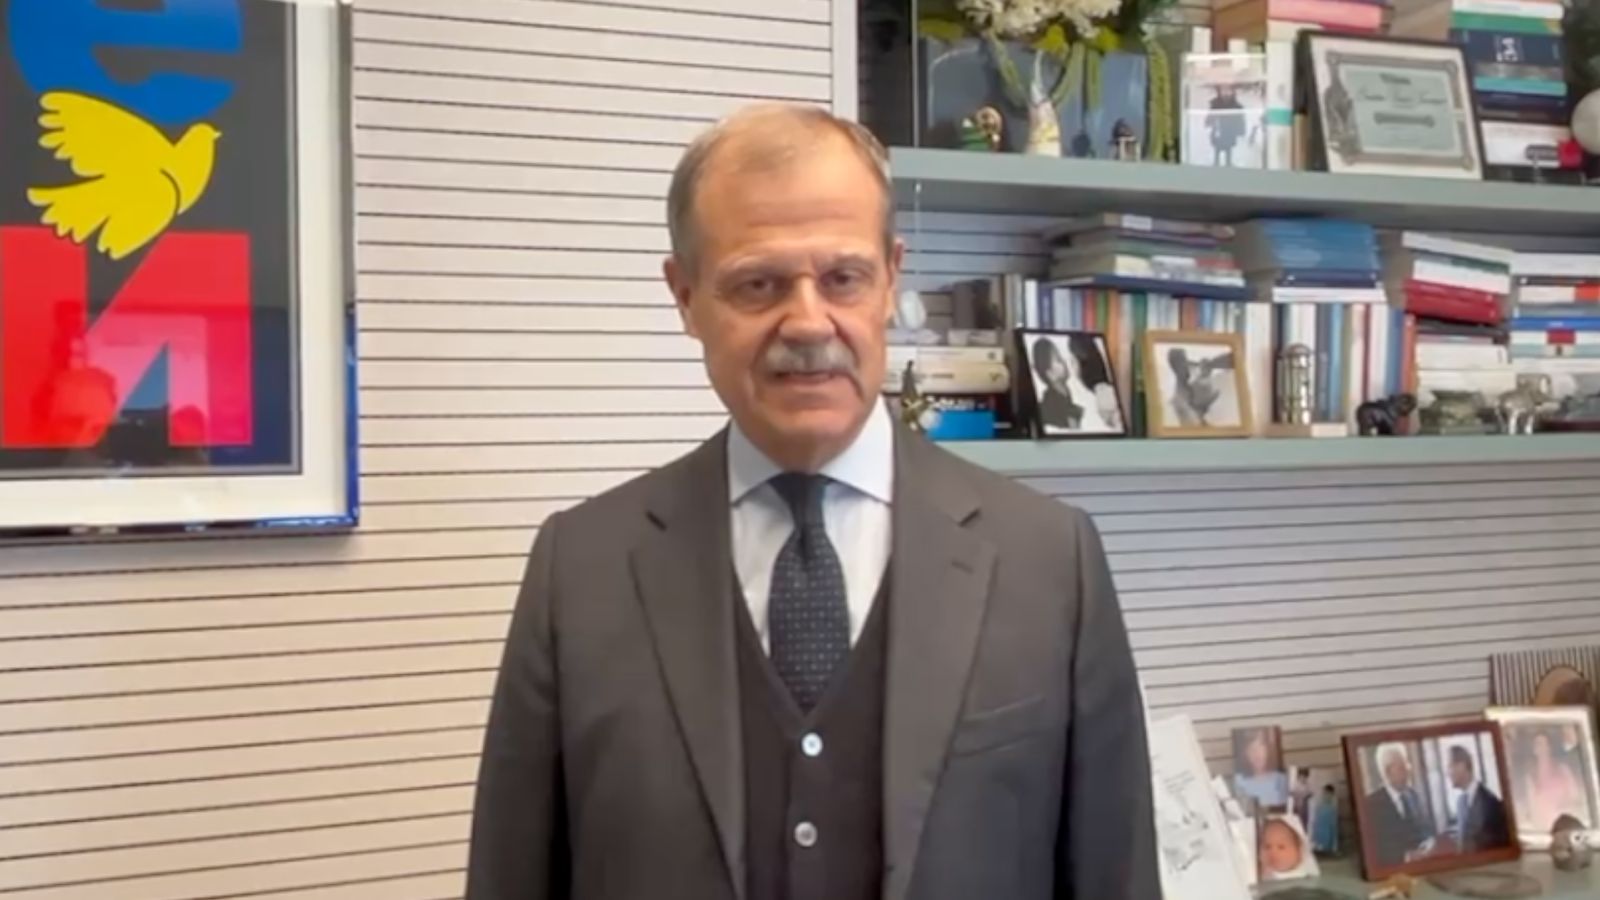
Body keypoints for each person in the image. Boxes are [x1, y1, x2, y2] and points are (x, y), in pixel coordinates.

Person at [465, 104, 1158, 900]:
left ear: (891, 278)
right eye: (758, 284)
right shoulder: (580, 570)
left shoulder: (1052, 562)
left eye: (843, 278)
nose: (806, 321)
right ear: (685, 296)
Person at [1031, 335, 1122, 434]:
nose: (1064, 361)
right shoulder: (1051, 411)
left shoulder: (1100, 401)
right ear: (1050, 374)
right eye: (1058, 359)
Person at [1363, 743, 1432, 867]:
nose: (1409, 769)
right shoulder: (1370, 805)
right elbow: (1374, 849)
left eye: (1407, 764)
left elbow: (1424, 830)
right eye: (1402, 766)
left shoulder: (1414, 796)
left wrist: (1429, 844)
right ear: (1388, 772)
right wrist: (1407, 857)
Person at [1518, 729, 1587, 832]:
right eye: (1538, 744)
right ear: (1534, 750)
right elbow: (1533, 810)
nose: (1541, 747)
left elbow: (1576, 797)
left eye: (1544, 744)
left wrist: (1565, 805)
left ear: (1549, 747)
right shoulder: (1530, 778)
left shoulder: (1563, 770)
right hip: (1545, 828)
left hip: (1567, 826)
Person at [1447, 745, 1510, 853]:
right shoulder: (1460, 803)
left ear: (1462, 765)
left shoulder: (1490, 802)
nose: (1447, 773)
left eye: (1450, 766)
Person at [1232, 727, 1289, 811]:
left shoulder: (1280, 779)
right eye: (1251, 749)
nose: (1257, 753)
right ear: (1245, 754)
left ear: (1267, 749)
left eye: (1261, 746)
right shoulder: (1240, 781)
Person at [1311, 784, 1340, 854]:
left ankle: (1328, 848)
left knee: (1329, 832)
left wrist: (1333, 819)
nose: (1325, 793)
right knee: (1320, 832)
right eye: (1325, 792)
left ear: (1331, 792)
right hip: (1322, 817)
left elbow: (1334, 809)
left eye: (1327, 792)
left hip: (1328, 817)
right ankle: (1320, 847)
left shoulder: (1334, 799)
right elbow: (1317, 808)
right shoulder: (1321, 798)